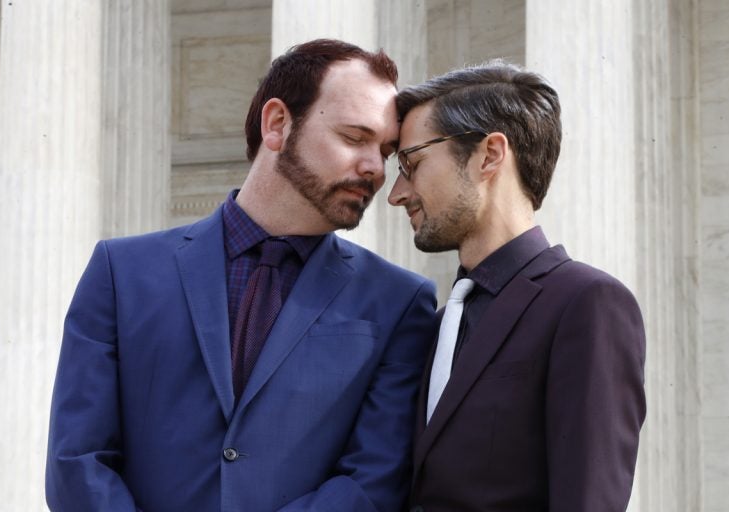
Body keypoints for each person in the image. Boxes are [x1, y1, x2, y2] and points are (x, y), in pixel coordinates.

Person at [46, 39, 437, 512]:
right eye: (355, 138)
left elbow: (373, 479)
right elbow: (78, 460)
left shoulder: (399, 301)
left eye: (387, 150)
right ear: (277, 124)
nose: (375, 168)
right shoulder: (120, 272)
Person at [387, 61, 646, 511]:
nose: (397, 192)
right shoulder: (439, 322)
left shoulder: (587, 303)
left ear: (489, 155)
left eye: (412, 163)